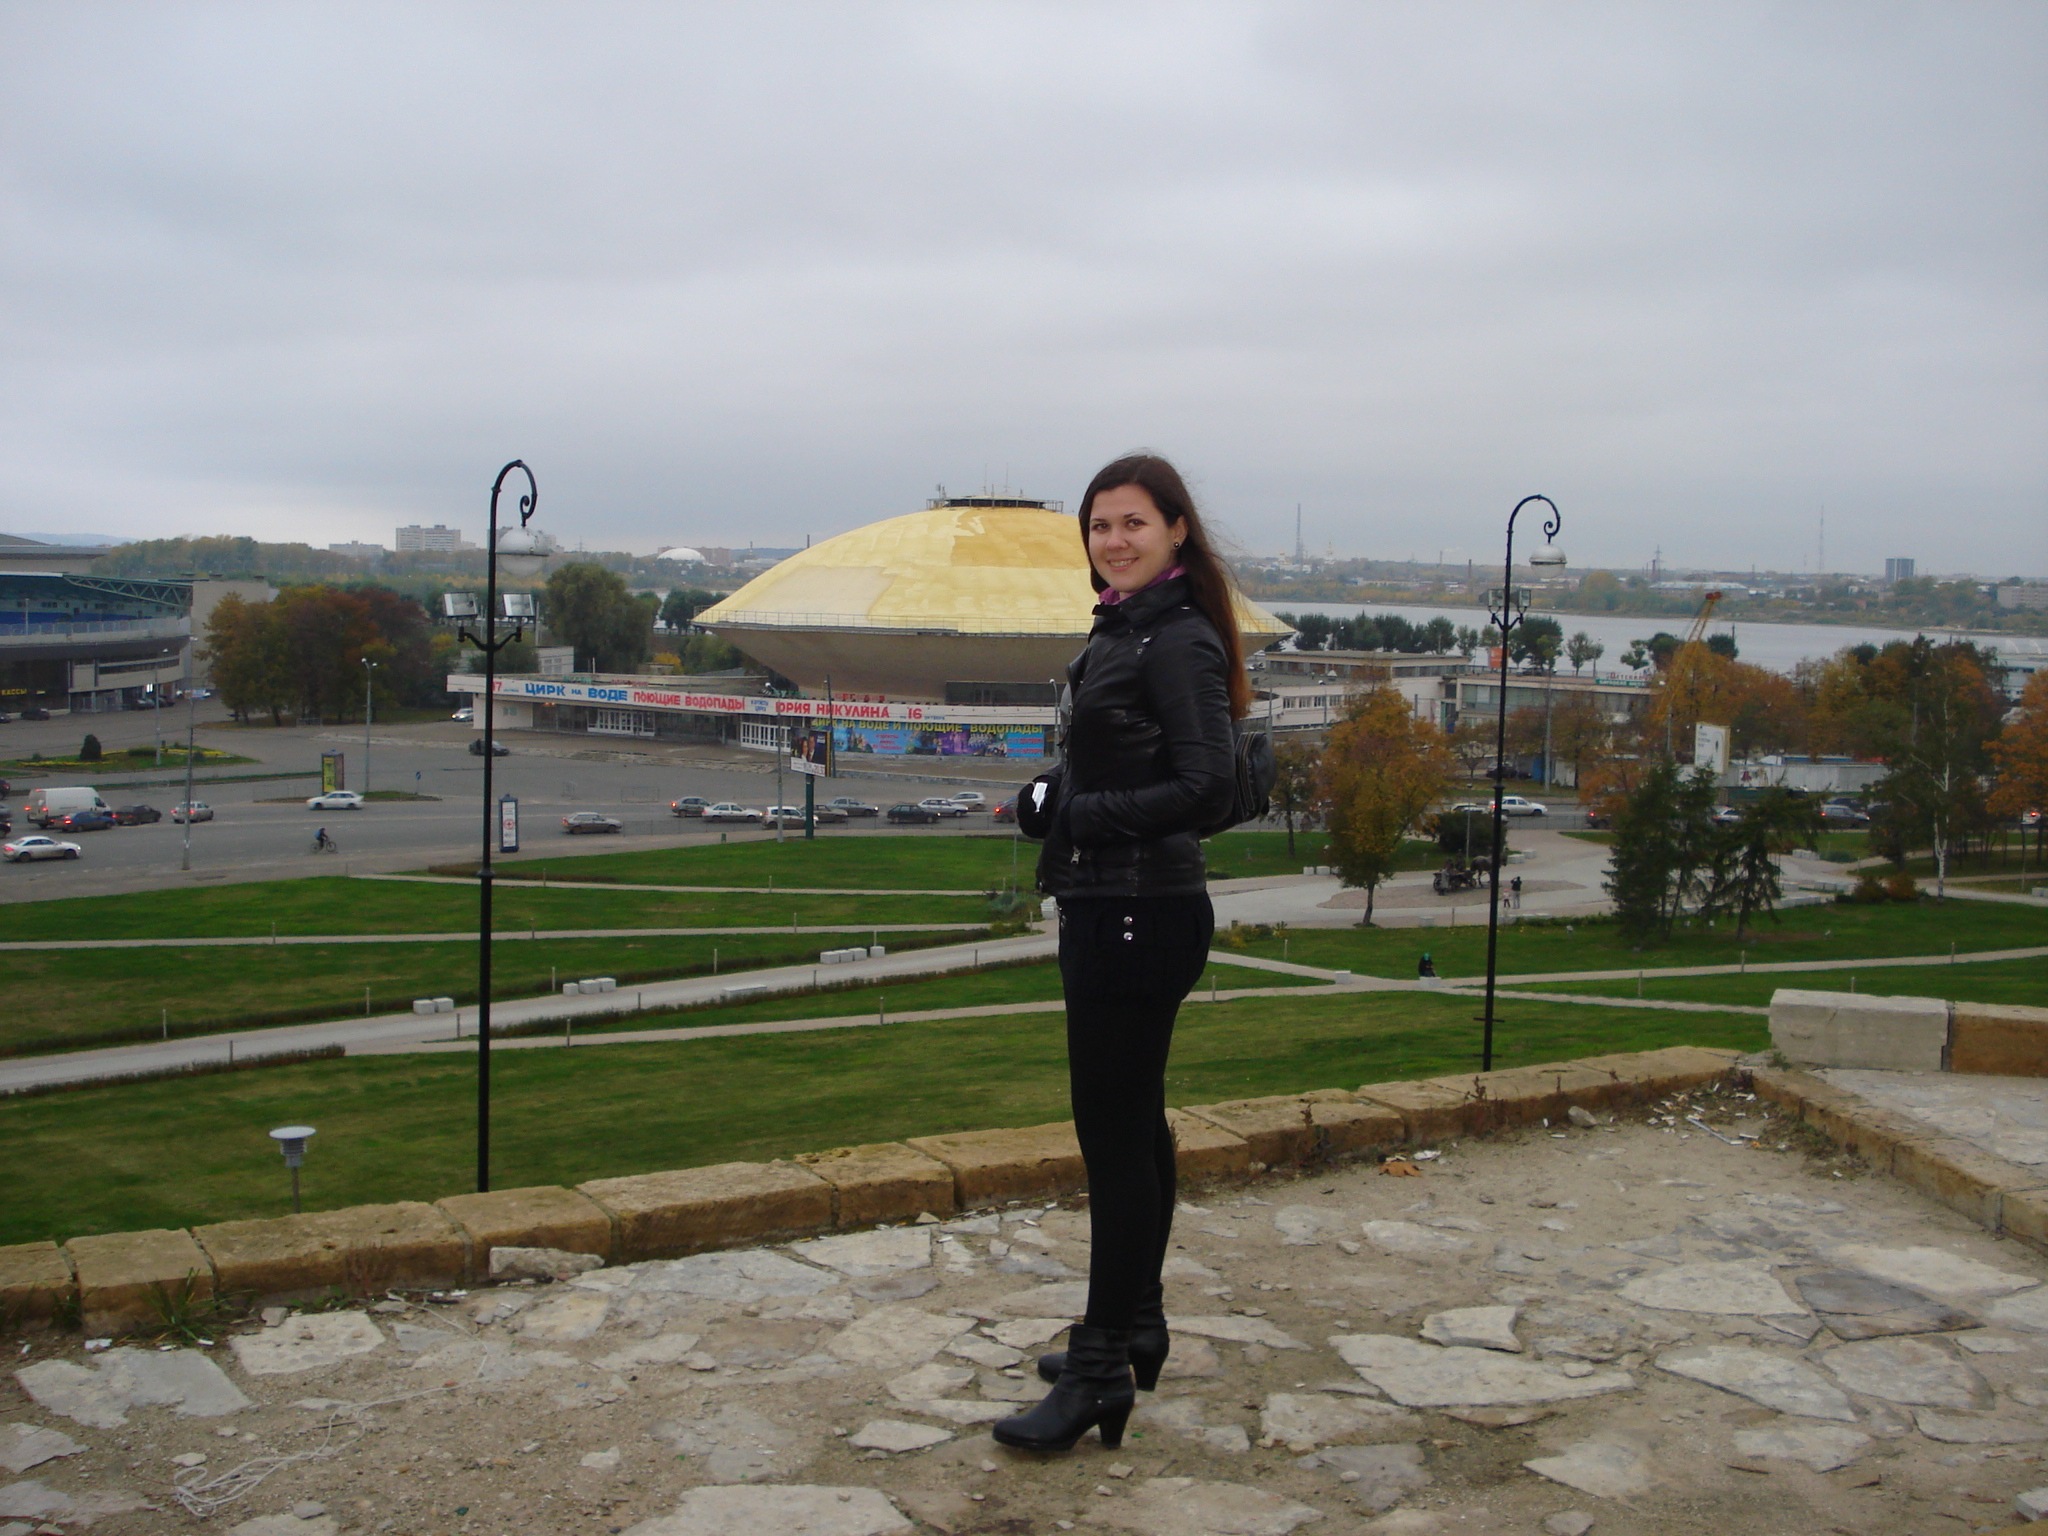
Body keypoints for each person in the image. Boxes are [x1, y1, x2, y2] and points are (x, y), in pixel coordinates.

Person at [1003, 453, 1246, 1454]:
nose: (1113, 539)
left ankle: (1101, 1366)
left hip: (1137, 913)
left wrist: (1082, 816)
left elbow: (1209, 784)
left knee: (1112, 1141)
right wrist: (1047, 799)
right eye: (1099, 525)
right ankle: (1136, 1322)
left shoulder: (1175, 639)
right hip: (1118, 905)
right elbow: (1106, 761)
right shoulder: (1125, 628)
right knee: (1135, 1126)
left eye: (1133, 522)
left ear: (1176, 529)